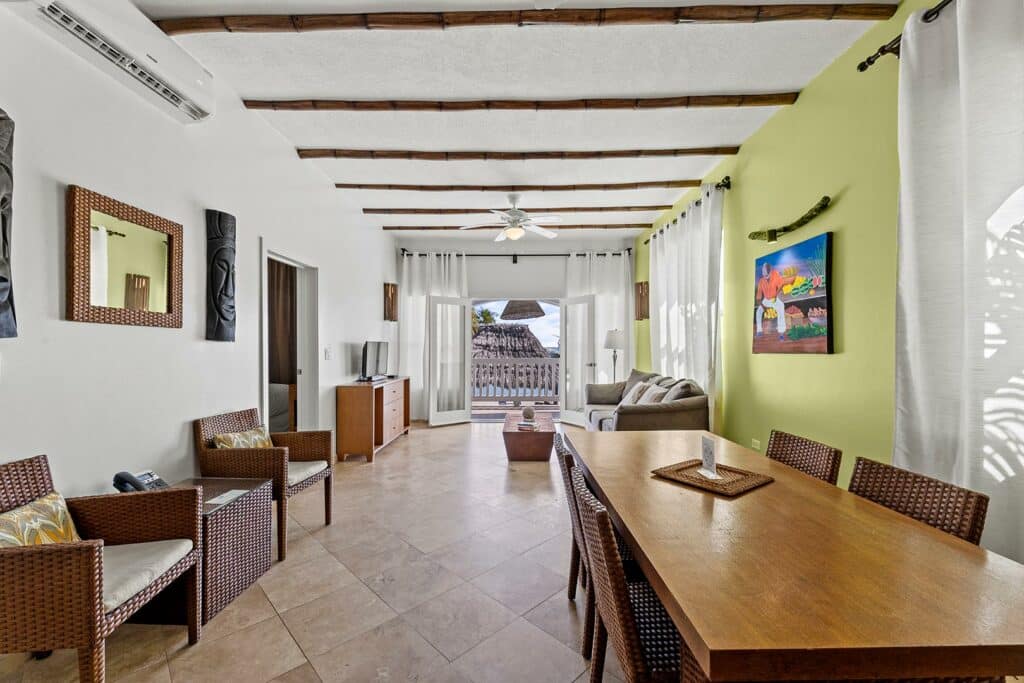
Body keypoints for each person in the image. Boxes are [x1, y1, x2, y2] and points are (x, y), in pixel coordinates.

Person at [755, 262, 795, 341]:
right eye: (763, 273)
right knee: (758, 312)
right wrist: (764, 307)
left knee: (781, 306)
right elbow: (758, 298)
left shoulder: (775, 274)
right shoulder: (761, 281)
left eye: (766, 274)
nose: (765, 275)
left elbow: (781, 284)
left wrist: (776, 295)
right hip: (766, 300)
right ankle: (759, 331)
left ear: (770, 272)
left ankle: (781, 333)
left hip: (775, 299)